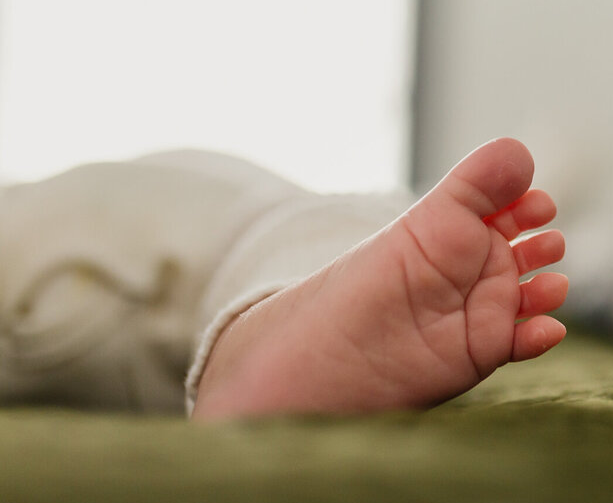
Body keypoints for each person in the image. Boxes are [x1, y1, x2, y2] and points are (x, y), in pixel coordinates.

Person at [0, 138, 568, 420]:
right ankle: (266, 332)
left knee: (281, 231)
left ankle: (274, 325)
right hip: (119, 237)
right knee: (279, 228)